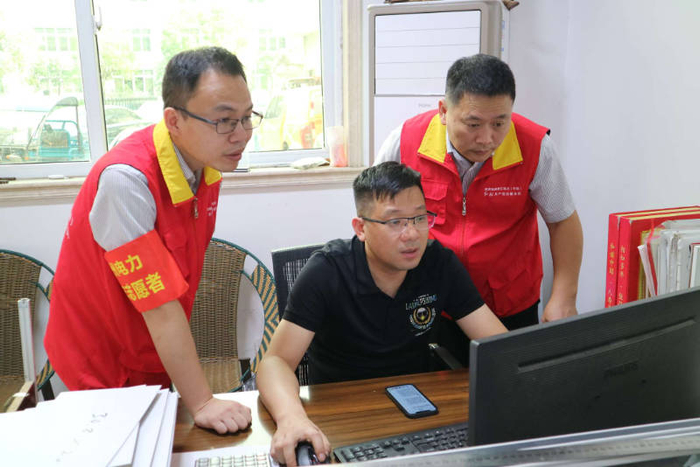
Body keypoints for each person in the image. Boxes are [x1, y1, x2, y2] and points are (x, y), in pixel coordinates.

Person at [44, 46, 262, 434]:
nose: (241, 135)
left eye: (247, 117)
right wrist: (202, 401)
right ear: (174, 121)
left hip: (152, 350)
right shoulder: (126, 181)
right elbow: (159, 307)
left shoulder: (204, 165)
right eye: (224, 121)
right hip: (103, 361)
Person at [256, 162, 507, 466]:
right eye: (395, 222)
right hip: (338, 418)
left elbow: (501, 346)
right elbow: (275, 362)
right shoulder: (326, 271)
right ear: (361, 228)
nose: (411, 234)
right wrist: (291, 418)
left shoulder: (439, 264)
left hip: (417, 416)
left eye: (419, 218)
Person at [375, 53, 583, 330]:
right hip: (430, 300)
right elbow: (375, 217)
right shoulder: (405, 141)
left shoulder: (534, 147)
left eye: (499, 123)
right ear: (443, 111)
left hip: (508, 301)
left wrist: (564, 296)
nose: (486, 139)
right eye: (473, 124)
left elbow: (562, 221)